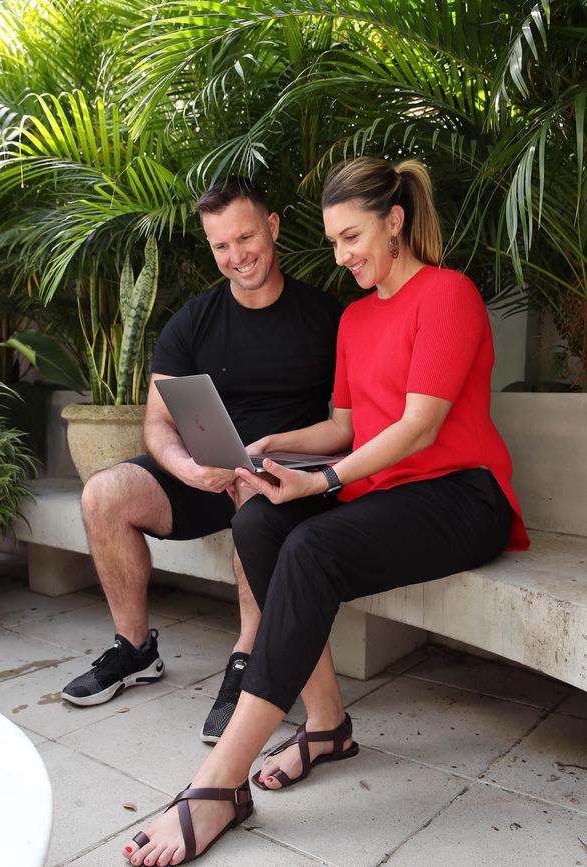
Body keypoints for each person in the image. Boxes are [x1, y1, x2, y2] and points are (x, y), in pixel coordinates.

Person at [120, 155, 529, 867]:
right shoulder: (356, 319)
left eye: (350, 238)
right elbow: (344, 423)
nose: (339, 257)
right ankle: (327, 726)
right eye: (334, 242)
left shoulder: (448, 294)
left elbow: (418, 427)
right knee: (257, 520)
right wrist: (274, 445)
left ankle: (219, 783)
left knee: (311, 548)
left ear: (394, 221)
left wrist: (327, 481)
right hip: (391, 491)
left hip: (463, 495)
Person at [61, 177, 342, 745]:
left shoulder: (327, 318)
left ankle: (247, 661)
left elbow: (349, 426)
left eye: (246, 238)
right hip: (203, 470)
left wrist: (268, 458)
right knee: (103, 493)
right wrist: (188, 469)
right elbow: (159, 422)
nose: (237, 256)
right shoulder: (193, 321)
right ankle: (135, 649)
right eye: (221, 246)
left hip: (280, 478)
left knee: (250, 499)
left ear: (274, 227)